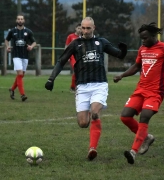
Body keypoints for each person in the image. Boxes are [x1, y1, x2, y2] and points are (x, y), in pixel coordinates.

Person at [45, 17, 128, 160]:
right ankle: (90, 117)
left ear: (94, 28)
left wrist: (123, 50)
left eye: (88, 28)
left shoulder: (101, 42)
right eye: (83, 28)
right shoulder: (75, 44)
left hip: (99, 85)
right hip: (82, 86)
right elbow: (61, 61)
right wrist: (51, 79)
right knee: (83, 123)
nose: (85, 31)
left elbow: (119, 55)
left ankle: (92, 148)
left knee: (95, 112)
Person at [113, 22, 164, 165]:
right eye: (141, 39)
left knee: (144, 117)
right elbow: (136, 66)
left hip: (156, 92)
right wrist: (122, 75)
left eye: (145, 38)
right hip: (140, 90)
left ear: (153, 36)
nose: (143, 41)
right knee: (125, 117)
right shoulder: (142, 49)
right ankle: (147, 137)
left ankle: (133, 152)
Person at [5, 14, 36, 102]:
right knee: (20, 73)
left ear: (24, 21)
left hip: (25, 55)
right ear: (16, 20)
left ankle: (12, 89)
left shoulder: (28, 31)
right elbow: (6, 40)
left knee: (21, 75)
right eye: (18, 19)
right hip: (16, 55)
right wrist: (7, 47)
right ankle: (23, 95)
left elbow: (34, 42)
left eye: (21, 19)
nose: (20, 20)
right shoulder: (12, 31)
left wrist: (31, 47)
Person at [65, 23, 82, 92]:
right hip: (72, 56)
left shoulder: (82, 37)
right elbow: (66, 47)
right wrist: (67, 56)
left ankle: (76, 86)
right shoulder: (71, 36)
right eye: (78, 28)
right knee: (76, 70)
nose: (80, 30)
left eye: (81, 28)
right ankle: (73, 87)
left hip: (80, 56)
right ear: (75, 28)